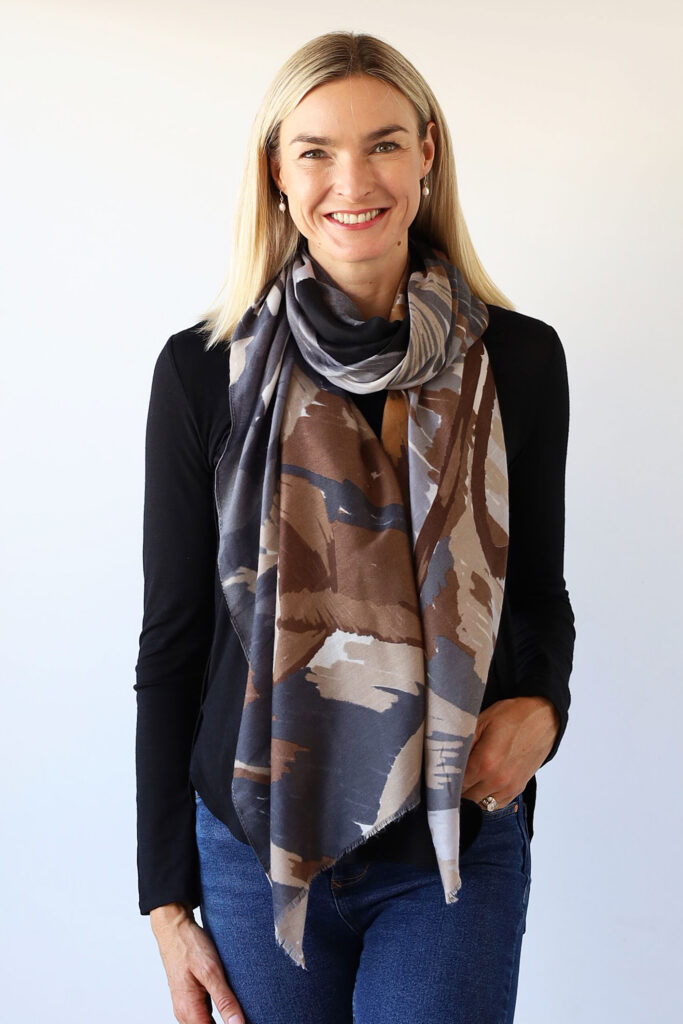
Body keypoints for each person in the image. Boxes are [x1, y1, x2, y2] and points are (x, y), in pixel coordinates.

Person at [135, 30, 575, 1024]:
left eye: (382, 144)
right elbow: (173, 644)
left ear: (426, 153)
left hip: (450, 842)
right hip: (252, 848)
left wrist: (545, 707)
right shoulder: (203, 372)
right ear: (276, 174)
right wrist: (164, 904)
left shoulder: (518, 361)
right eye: (315, 151)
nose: (352, 180)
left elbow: (535, 592)